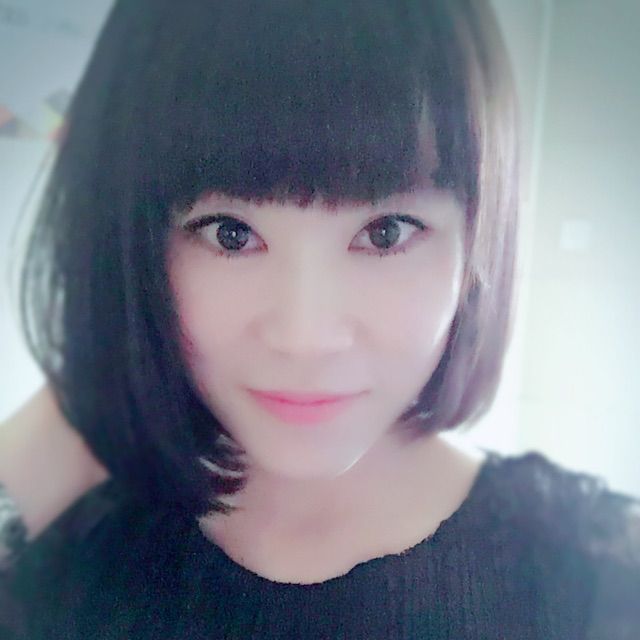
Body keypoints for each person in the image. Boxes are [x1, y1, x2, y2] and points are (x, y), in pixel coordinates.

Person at [1, 0, 638, 638]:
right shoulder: (65, 546)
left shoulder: (598, 583)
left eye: (386, 233)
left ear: (475, 242)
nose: (305, 338)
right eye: (229, 234)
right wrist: (78, 410)